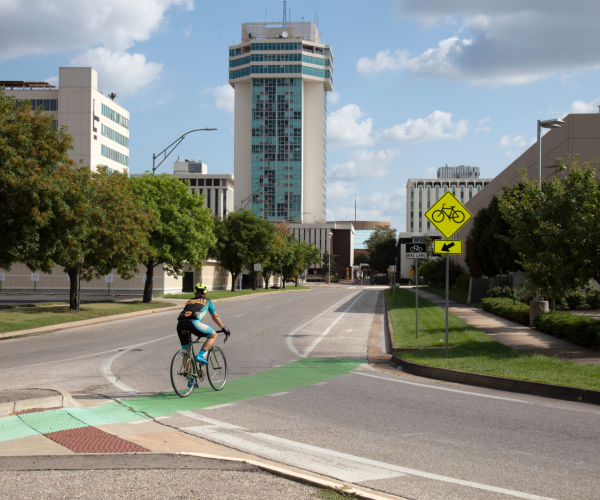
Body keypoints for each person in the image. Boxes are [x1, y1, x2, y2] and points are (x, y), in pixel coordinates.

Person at [176, 283, 230, 367]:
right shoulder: (208, 301)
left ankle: (190, 379)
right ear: (206, 294)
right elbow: (215, 316)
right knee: (213, 335)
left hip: (180, 325)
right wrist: (223, 328)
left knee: (186, 352)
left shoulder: (189, 301)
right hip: (193, 323)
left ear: (194, 293)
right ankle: (200, 355)